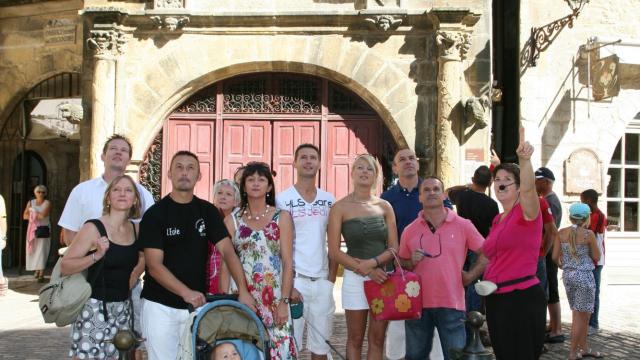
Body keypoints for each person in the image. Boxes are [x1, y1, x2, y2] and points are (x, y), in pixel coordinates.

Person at [139, 151, 256, 360]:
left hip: (195, 307)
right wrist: (186, 292)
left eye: (190, 168)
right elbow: (154, 267)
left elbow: (228, 251)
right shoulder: (155, 214)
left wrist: (243, 290)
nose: (185, 172)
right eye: (179, 167)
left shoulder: (207, 211)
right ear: (169, 173)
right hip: (159, 306)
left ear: (199, 176)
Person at [58, 134, 154, 360]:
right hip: (93, 301)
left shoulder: (136, 225)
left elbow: (145, 252)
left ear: (135, 200)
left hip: (124, 303)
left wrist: (132, 277)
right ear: (108, 197)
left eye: (128, 191)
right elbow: (67, 249)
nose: (123, 194)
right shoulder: (89, 213)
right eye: (113, 148)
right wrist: (95, 256)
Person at [399, 177, 486, 360]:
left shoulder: (463, 225)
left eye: (436, 189)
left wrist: (470, 276)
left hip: (452, 303)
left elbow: (486, 253)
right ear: (420, 197)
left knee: (455, 356)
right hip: (417, 305)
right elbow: (401, 263)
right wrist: (410, 261)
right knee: (415, 356)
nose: (431, 193)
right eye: (427, 190)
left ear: (443, 195)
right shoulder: (409, 230)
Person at [328, 154, 399, 360]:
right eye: (360, 167)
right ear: (352, 173)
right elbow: (334, 251)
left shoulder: (385, 207)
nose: (364, 172)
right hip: (354, 279)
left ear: (376, 176)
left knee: (377, 339)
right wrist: (367, 269)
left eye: (369, 169)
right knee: (355, 338)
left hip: (382, 279)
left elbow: (394, 247)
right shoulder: (339, 207)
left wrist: (375, 264)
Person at [481, 141, 546, 360]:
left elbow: (529, 190)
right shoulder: (498, 219)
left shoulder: (527, 212)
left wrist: (525, 161)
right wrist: (470, 275)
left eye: (507, 180)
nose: (500, 184)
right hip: (496, 299)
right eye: (497, 180)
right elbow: (490, 256)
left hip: (521, 298)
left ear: (518, 187)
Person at [224, 161, 296, 359]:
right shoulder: (232, 220)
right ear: (244, 186)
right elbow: (226, 263)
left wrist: (284, 301)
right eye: (250, 179)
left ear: (269, 186)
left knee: (278, 351)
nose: (256, 183)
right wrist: (225, 300)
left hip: (274, 297)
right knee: (245, 351)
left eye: (261, 179)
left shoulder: (282, 217)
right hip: (242, 296)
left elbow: (288, 263)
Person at [380, 148, 443, 360]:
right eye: (402, 159)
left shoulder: (432, 190)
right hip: (401, 273)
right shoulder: (386, 199)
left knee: (434, 332)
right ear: (394, 168)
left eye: (411, 158)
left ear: (417, 164)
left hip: (432, 271)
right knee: (399, 328)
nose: (408, 162)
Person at [276, 144, 337, 360]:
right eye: (303, 157)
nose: (308, 161)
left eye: (313, 157)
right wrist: (288, 283)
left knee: (320, 347)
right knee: (288, 346)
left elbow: (334, 241)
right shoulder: (282, 200)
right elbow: (277, 246)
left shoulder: (329, 200)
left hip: (321, 280)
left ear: (320, 164)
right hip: (295, 282)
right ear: (294, 163)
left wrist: (330, 279)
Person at [446, 166, 499, 319]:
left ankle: (461, 314)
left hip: (462, 245)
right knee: (476, 282)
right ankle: (473, 319)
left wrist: (466, 186)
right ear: (490, 183)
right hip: (481, 247)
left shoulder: (462, 196)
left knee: (463, 279)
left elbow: (448, 191)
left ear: (473, 180)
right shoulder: (491, 204)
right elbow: (492, 229)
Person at [552, 203, 603, 359]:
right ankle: (573, 353)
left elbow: (554, 257)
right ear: (587, 217)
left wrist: (564, 265)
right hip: (584, 277)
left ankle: (584, 347)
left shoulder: (561, 233)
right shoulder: (588, 235)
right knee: (579, 316)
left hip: (569, 276)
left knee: (584, 314)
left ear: (570, 217)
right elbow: (596, 257)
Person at [535, 167, 564, 343]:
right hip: (546, 252)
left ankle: (557, 329)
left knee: (551, 291)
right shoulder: (545, 199)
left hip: (548, 253)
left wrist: (543, 253)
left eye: (537, 180)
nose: (535, 183)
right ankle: (553, 325)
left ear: (546, 182)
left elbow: (550, 231)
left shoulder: (550, 202)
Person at [208, 179, 241, 295]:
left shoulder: (240, 224)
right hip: (207, 279)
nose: (223, 197)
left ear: (236, 202)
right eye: (219, 193)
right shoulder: (206, 220)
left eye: (228, 194)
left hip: (230, 282)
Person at [581, 189, 607, 335]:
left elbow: (589, 235)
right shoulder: (590, 215)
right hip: (588, 260)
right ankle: (586, 321)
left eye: (583, 201)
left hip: (596, 261)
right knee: (586, 292)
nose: (582, 204)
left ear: (589, 201)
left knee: (593, 292)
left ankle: (593, 323)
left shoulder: (598, 216)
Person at [22, 185, 51, 282]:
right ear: (35, 192)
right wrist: (34, 214)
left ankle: (41, 273)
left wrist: (32, 213)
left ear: (45, 193)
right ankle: (37, 270)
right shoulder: (31, 202)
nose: (41, 193)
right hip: (32, 229)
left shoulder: (47, 203)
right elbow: (25, 216)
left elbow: (43, 215)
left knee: (42, 250)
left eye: (43, 192)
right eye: (39, 191)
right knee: (33, 250)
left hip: (43, 229)